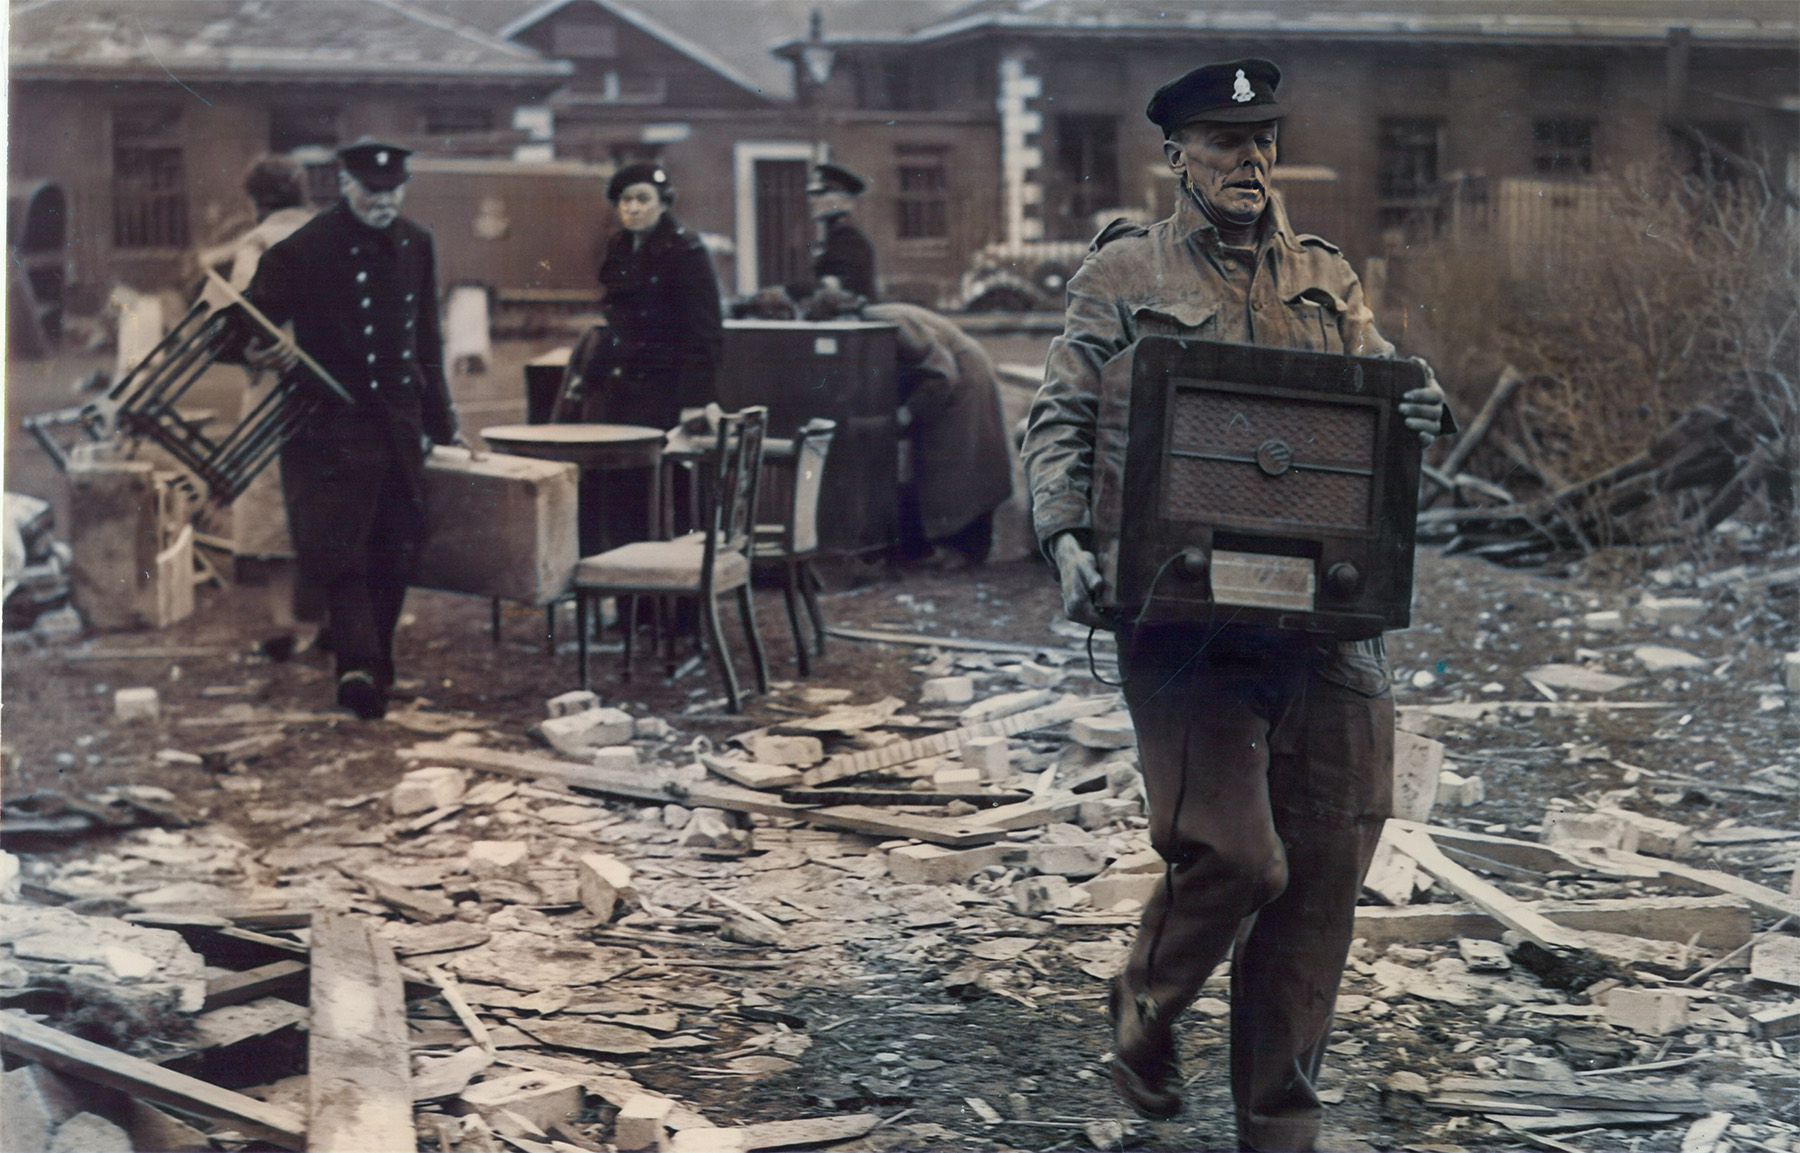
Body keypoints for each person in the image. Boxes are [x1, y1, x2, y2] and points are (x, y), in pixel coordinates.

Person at [1021, 60, 1450, 1152]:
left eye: (1262, 139)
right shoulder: (1122, 273)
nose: (1249, 160)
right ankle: (1146, 1002)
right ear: (1177, 155)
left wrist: (1416, 402)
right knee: (1236, 856)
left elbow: (1374, 394)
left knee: (1318, 893)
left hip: (1325, 627)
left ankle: (1279, 1134)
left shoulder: (1326, 276)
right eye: (1222, 141)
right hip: (1185, 621)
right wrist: (1066, 533)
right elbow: (1061, 413)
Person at [237, 139, 460, 720]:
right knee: (342, 553)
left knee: (395, 548)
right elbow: (240, 324)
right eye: (370, 192)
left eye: (393, 191)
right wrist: (268, 348)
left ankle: (373, 666)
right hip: (326, 429)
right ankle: (358, 669)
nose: (383, 202)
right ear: (343, 185)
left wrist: (442, 421)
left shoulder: (416, 242)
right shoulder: (306, 247)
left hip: (396, 425)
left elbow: (427, 340)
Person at [582, 162, 722, 547]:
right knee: (624, 498)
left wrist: (694, 402)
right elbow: (616, 321)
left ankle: (673, 603)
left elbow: (705, 334)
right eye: (625, 201)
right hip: (624, 394)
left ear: (663, 204)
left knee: (670, 498)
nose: (633, 209)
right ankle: (631, 600)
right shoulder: (620, 248)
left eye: (643, 199)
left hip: (667, 396)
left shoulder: (686, 251)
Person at [223, 155, 317, 642]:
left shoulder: (257, 243)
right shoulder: (329, 232)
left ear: (255, 199)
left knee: (273, 492)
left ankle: (285, 619)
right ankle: (326, 617)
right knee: (324, 492)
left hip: (275, 386)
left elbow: (242, 318)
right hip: (329, 383)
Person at [863, 301, 1013, 567]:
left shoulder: (883, 322)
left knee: (955, 465)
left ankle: (962, 549)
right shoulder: (874, 317)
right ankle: (948, 546)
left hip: (960, 380)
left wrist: (909, 412)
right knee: (953, 463)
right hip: (956, 373)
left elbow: (942, 373)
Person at [807, 162, 877, 300]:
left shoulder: (848, 240)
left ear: (843, 201)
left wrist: (789, 292)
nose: (813, 200)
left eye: (822, 193)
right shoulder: (835, 237)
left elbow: (834, 286)